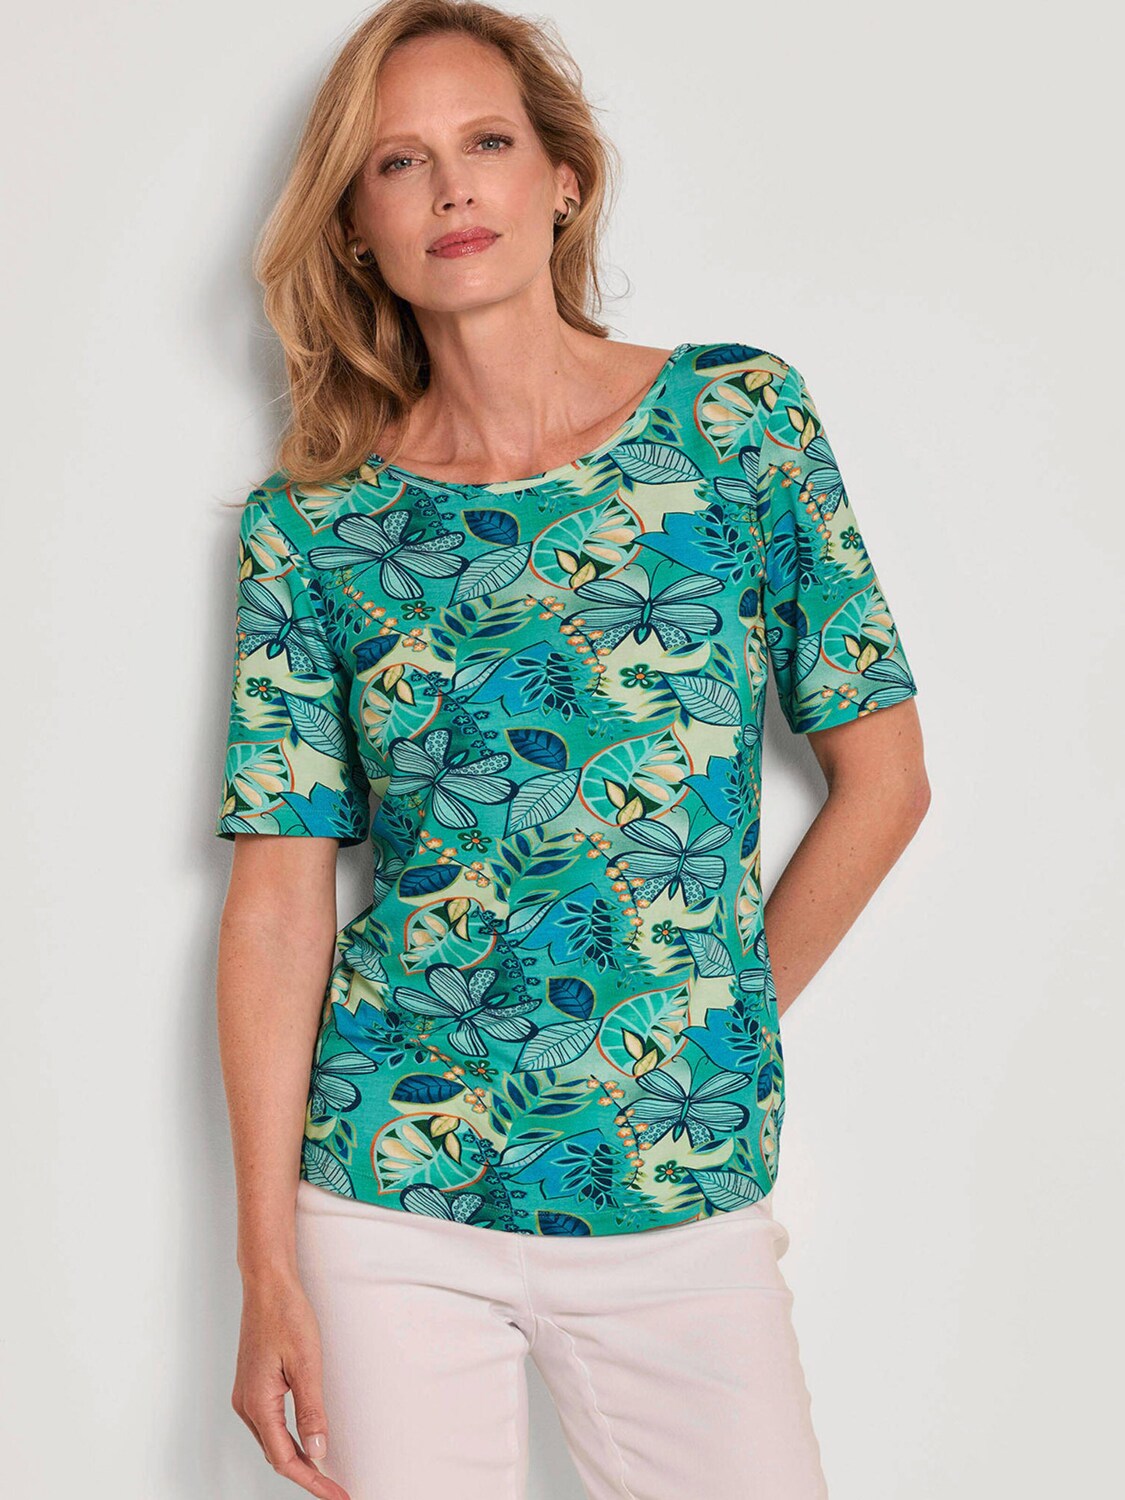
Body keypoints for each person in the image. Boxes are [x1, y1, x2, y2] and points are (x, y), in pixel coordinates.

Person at [213, 3, 930, 1497]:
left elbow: (886, 779)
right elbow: (279, 904)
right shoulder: (315, 525)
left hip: (678, 1188)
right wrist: (265, 1267)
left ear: (563, 180)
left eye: (486, 142)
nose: (452, 189)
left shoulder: (735, 424)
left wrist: (718, 1016)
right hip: (390, 1194)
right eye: (398, 164)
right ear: (358, 230)